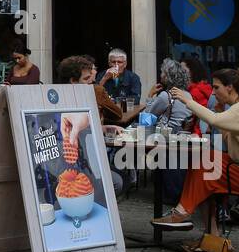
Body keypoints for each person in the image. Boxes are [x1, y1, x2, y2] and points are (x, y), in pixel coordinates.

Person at [150, 69, 239, 233]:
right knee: (204, 164)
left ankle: (181, 213)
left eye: (216, 88)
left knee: (205, 163)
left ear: (229, 87)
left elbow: (213, 120)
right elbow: (226, 135)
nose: (213, 92)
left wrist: (185, 99)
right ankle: (209, 235)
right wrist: (219, 111)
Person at [55, 55, 123, 194]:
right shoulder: (66, 104)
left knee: (119, 176)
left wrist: (104, 128)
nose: (91, 82)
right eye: (86, 79)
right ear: (73, 81)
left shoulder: (79, 97)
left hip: (85, 162)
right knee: (117, 182)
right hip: (75, 168)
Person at [118, 58, 193, 133]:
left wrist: (150, 95)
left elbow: (147, 118)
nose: (161, 75)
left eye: (163, 72)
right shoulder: (188, 95)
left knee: (130, 127)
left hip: (165, 135)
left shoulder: (166, 96)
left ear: (168, 76)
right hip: (182, 134)